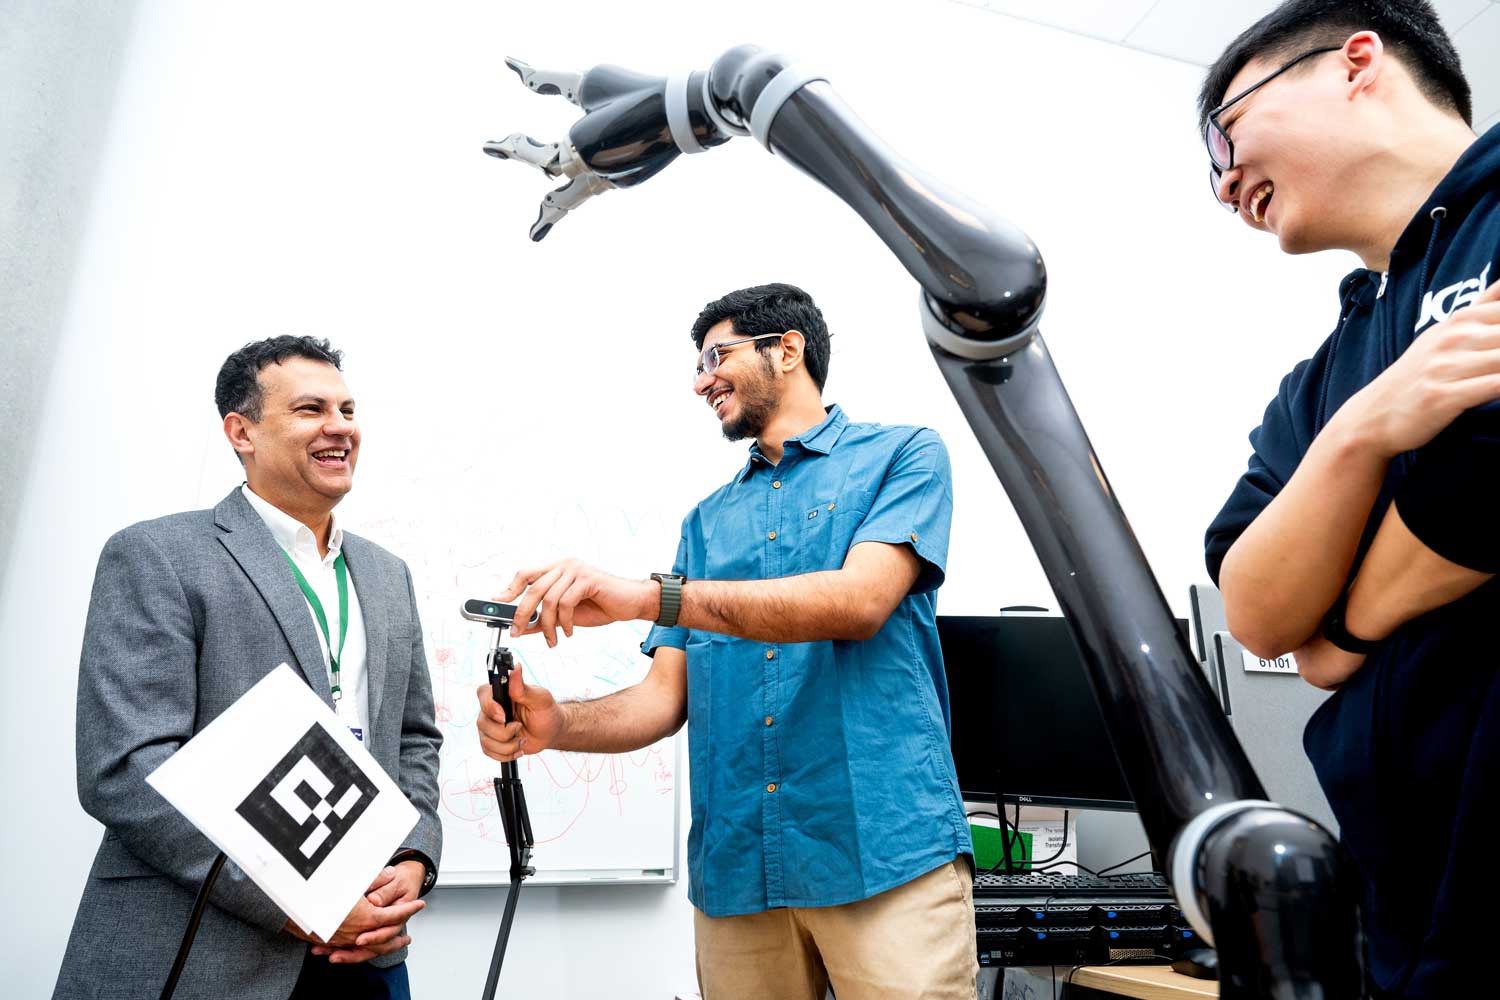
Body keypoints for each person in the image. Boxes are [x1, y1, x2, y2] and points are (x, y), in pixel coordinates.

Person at [475, 284, 976, 999]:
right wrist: (555, 725)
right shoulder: (705, 524)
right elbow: (661, 699)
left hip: (885, 853)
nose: (701, 380)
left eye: (717, 355)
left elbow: (860, 602)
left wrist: (647, 596)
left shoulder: (903, 455)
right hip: (741, 870)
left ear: (788, 349)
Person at [1199, 2, 1500, 995]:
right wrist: (1367, 429)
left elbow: (1488, 480)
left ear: (1355, 62)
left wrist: (1351, 619)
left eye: (1226, 133)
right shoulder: (1324, 379)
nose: (1223, 181)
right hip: (1406, 906)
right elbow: (1259, 604)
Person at [54, 337, 443, 1000]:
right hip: (207, 948)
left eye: (348, 409)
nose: (340, 426)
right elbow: (125, 771)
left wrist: (413, 856)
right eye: (311, 409)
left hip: (367, 955)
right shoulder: (157, 556)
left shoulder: (386, 574)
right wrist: (296, 900)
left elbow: (413, 738)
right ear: (242, 432)